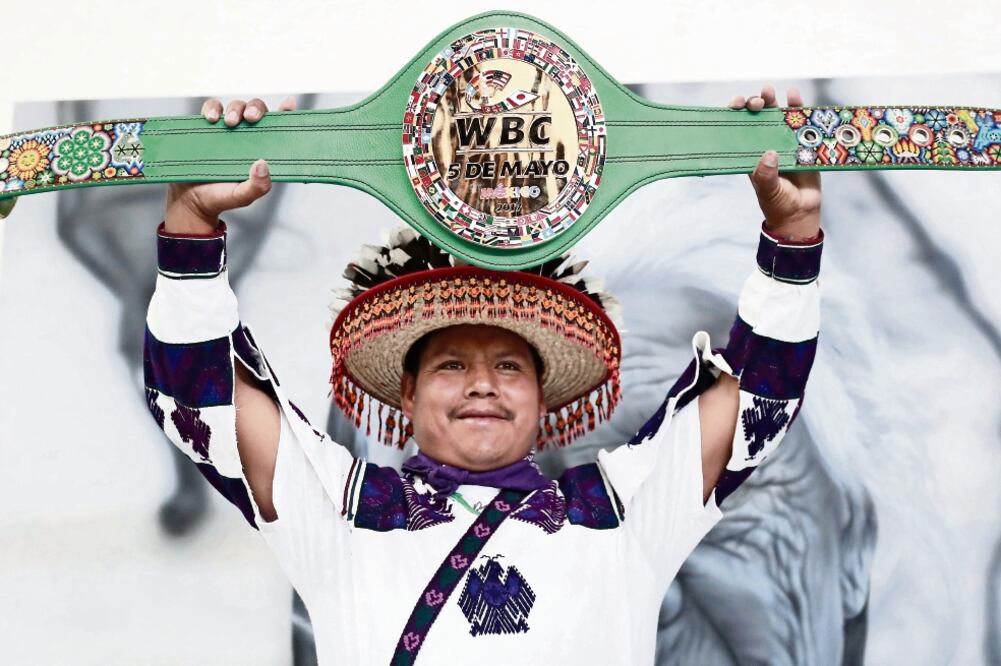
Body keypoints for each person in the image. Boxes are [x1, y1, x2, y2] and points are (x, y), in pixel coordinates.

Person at [144, 85, 822, 664]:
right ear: (404, 393)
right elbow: (201, 405)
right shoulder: (344, 518)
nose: (481, 384)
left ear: (540, 395)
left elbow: (760, 399)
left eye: (507, 364)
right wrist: (192, 224)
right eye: (449, 364)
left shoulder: (621, 514)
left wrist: (789, 237)